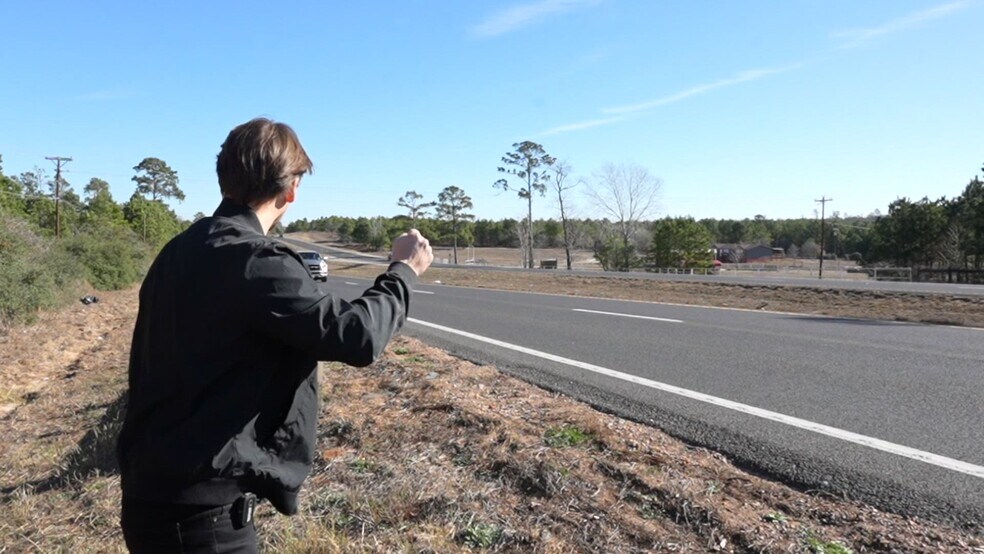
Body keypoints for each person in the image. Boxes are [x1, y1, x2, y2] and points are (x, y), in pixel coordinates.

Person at [117, 118, 433, 552]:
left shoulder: (180, 249)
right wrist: (403, 271)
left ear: (224, 176)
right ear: (291, 189)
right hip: (198, 519)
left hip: (155, 496)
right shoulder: (256, 259)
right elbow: (356, 336)